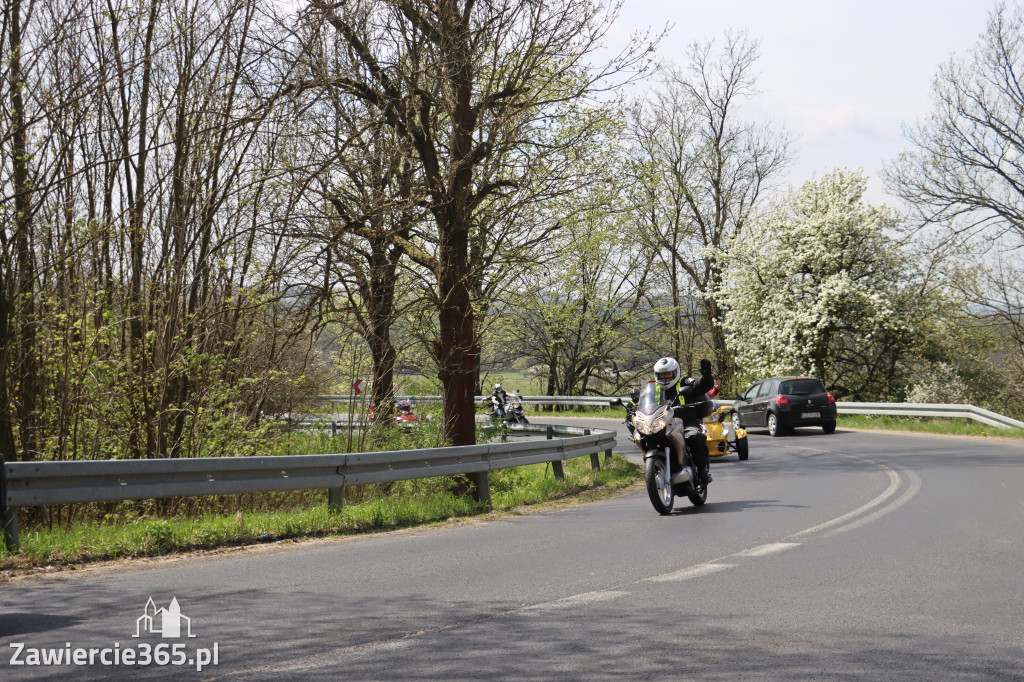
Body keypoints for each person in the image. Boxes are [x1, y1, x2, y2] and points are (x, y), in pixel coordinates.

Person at [653, 356, 715, 487]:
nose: (665, 377)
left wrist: (707, 376)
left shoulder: (685, 382)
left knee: (694, 436)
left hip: (686, 421)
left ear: (675, 372)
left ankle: (702, 470)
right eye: (662, 374)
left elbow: (700, 387)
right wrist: (633, 409)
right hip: (661, 424)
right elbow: (642, 403)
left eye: (668, 374)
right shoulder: (654, 388)